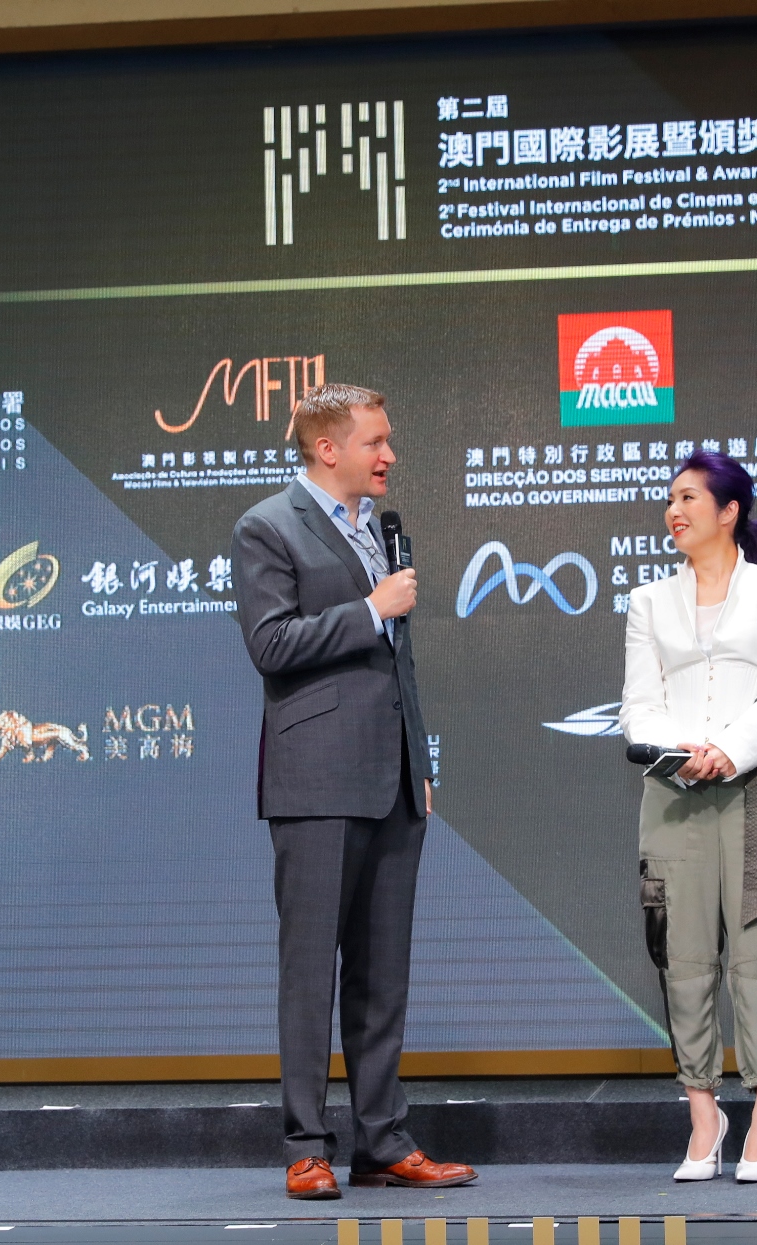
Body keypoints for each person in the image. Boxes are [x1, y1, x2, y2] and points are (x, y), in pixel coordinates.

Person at [231, 383, 478, 1201]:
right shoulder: (268, 526)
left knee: (382, 971)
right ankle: (305, 1146)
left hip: (392, 777)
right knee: (311, 971)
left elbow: (396, 661)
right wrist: (370, 608)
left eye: (387, 438)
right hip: (315, 779)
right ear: (326, 447)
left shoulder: (378, 526)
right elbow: (271, 644)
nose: (388, 455)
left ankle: (382, 1140)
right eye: (375, 441)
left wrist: (418, 760)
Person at [619, 448, 757, 1185]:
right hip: (673, 795)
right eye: (670, 499)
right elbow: (639, 704)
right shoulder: (647, 601)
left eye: (689, 498)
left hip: (755, 791)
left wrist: (727, 751)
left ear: (729, 511)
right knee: (684, 956)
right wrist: (681, 755)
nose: (673, 511)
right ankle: (703, 1114)